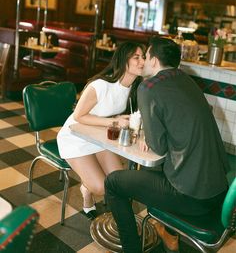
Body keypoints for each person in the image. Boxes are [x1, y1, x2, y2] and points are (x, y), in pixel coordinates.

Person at [105, 37, 229, 253]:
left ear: (153, 60)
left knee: (113, 183)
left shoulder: (149, 87)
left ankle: (132, 249)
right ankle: (165, 231)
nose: (143, 61)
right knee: (155, 171)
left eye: (146, 56)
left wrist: (148, 137)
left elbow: (158, 147)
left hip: (191, 197)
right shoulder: (187, 80)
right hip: (219, 191)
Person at [57, 41, 145, 219]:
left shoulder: (134, 89)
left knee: (118, 181)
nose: (142, 61)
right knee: (100, 187)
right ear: (123, 60)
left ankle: (89, 185)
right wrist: (114, 121)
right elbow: (78, 116)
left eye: (143, 57)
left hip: (99, 138)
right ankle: (86, 190)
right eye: (136, 57)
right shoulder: (100, 85)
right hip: (75, 138)